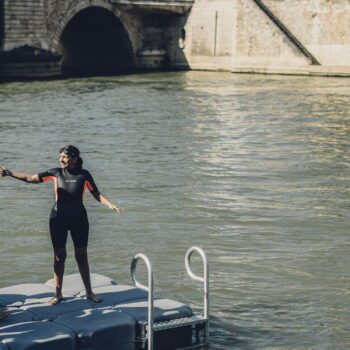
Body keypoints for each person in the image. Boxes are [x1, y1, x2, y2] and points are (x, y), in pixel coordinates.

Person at [0, 145, 123, 305]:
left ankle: (89, 292)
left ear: (74, 158)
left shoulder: (84, 175)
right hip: (58, 219)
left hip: (79, 219)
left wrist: (110, 205)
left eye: (64, 156)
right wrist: (10, 173)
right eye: (60, 156)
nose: (61, 159)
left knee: (82, 256)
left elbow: (96, 194)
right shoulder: (55, 173)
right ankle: (58, 294)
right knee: (59, 257)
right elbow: (31, 178)